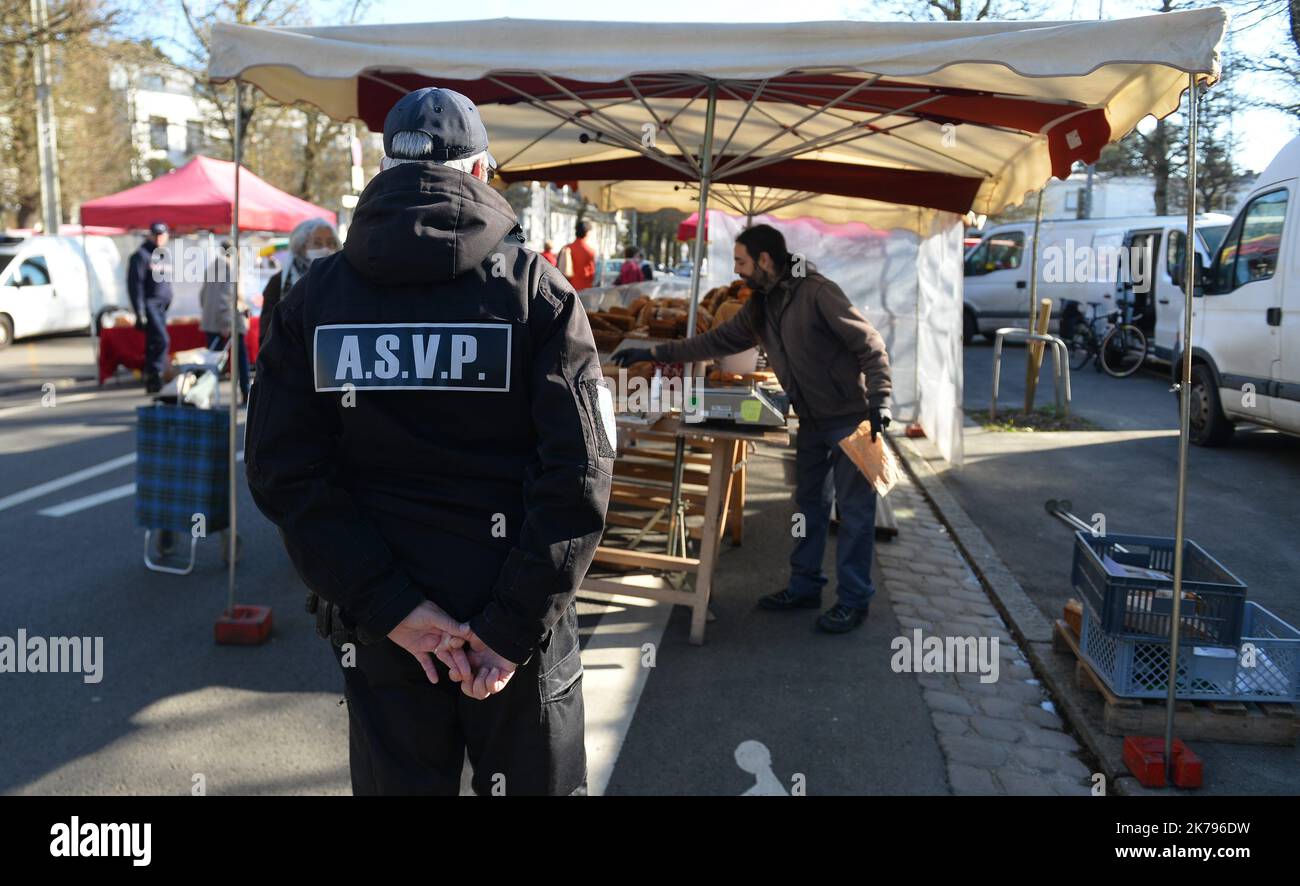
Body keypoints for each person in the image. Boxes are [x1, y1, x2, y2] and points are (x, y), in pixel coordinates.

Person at [245, 86, 614, 796]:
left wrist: (394, 610)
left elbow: (281, 471)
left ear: (385, 172)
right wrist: (509, 628)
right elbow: (581, 475)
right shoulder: (536, 294)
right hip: (511, 624)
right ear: (480, 172)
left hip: (385, 628)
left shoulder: (314, 299)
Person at [612, 224, 892, 633]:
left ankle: (854, 600)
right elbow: (715, 342)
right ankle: (805, 586)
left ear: (764, 260)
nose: (737, 270)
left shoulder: (817, 292)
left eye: (742, 261)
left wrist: (879, 402)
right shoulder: (763, 303)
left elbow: (870, 345)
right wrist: (654, 351)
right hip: (812, 419)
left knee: (854, 514)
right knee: (809, 506)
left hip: (852, 419)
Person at [259, 218, 339, 335]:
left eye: (331, 242)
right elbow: (267, 332)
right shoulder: (279, 281)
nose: (325, 248)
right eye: (317, 243)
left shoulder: (341, 279)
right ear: (301, 247)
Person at [198, 241, 250, 404]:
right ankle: (246, 391)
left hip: (211, 320)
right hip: (228, 321)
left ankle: (204, 396)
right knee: (240, 359)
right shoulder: (230, 268)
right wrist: (226, 323)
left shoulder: (212, 267)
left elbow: (203, 295)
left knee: (212, 362)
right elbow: (225, 299)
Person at [127, 221, 173, 394]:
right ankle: (155, 374)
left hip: (161, 305)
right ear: (150, 235)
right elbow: (135, 285)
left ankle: (152, 379)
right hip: (150, 305)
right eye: (156, 235)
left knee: (155, 342)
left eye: (162, 234)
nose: (159, 238)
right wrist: (139, 311)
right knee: (162, 340)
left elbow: (166, 281)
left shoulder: (163, 254)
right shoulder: (141, 255)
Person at [557, 221, 596, 291]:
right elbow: (592, 274)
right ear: (587, 233)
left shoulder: (566, 248)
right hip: (585, 291)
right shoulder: (590, 251)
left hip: (567, 289)